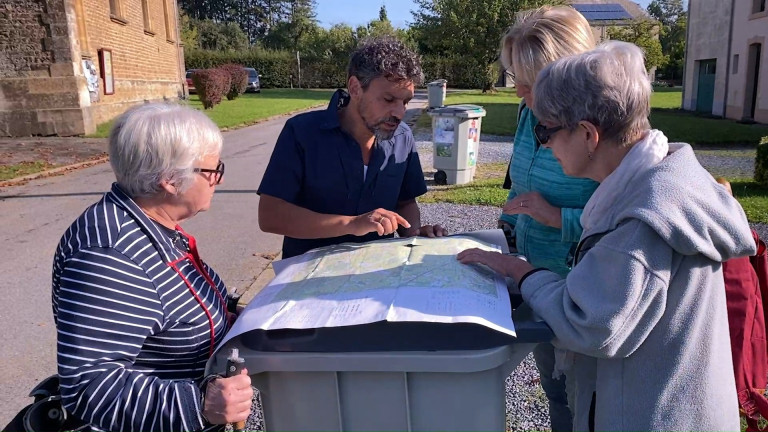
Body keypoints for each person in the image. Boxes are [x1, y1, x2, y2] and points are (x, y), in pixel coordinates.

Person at [458, 41, 755, 431]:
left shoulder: (642, 221)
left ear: (587, 135)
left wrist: (519, 271)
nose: (542, 143)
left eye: (545, 130)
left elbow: (590, 325)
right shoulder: (664, 176)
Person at [51, 104, 253, 431]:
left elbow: (177, 310)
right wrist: (200, 403)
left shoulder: (151, 226)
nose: (218, 179)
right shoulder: (110, 255)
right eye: (212, 170)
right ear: (170, 181)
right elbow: (90, 387)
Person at [497, 6, 598, 431]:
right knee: (557, 391)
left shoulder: (602, 125)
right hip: (539, 278)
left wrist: (559, 217)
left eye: (528, 82)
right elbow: (522, 182)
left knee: (587, 402)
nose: (519, 91)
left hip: (585, 290)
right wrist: (507, 233)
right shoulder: (528, 114)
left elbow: (628, 219)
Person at [257, 36, 444, 259]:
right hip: (308, 278)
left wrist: (413, 235)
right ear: (355, 88)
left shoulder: (402, 137)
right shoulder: (302, 133)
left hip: (376, 273)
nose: (400, 113)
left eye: (405, 101)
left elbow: (405, 203)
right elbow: (270, 216)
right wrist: (351, 224)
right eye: (388, 99)